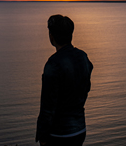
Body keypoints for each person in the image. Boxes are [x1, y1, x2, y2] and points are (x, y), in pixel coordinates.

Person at [36, 15, 93, 146]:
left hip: (59, 134)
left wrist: (42, 135)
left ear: (52, 36)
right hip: (80, 129)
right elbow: (86, 87)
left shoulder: (54, 63)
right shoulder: (83, 57)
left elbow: (47, 105)